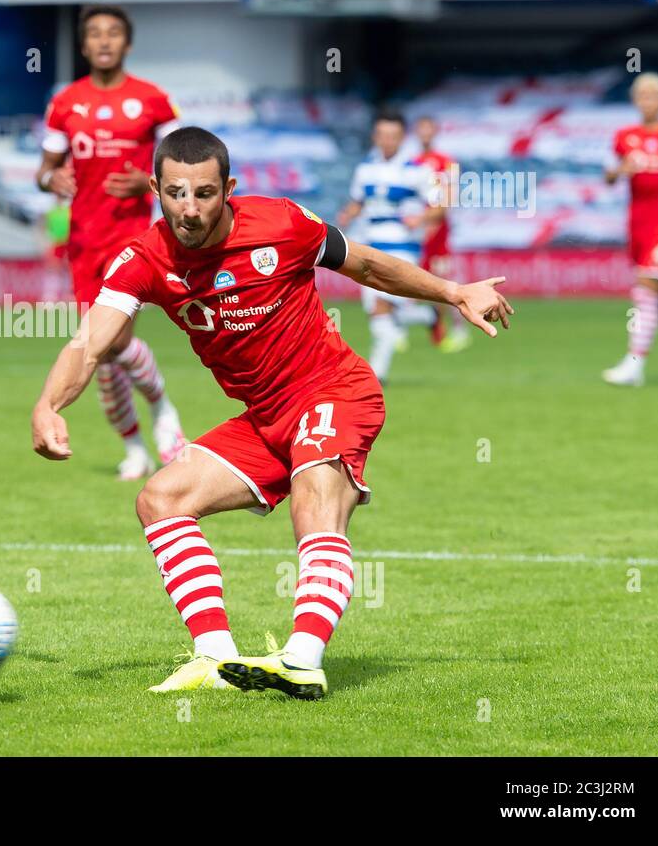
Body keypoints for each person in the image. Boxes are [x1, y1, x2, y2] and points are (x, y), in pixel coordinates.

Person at [30, 127, 512, 699]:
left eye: (204, 193)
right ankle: (215, 658)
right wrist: (49, 403)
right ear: (155, 188)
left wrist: (454, 292)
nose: (189, 208)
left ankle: (302, 660)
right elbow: (91, 342)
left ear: (228, 188)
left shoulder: (281, 224)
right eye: (176, 192)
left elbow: (365, 266)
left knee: (314, 498)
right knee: (160, 499)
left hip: (335, 389)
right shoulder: (143, 258)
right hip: (264, 416)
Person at [35, 4, 186, 480]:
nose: (104, 41)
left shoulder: (153, 100)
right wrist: (51, 180)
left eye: (113, 33)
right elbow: (44, 171)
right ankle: (136, 448)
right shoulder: (65, 103)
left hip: (134, 240)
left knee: (113, 341)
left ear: (127, 43)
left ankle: (163, 409)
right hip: (83, 242)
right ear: (83, 46)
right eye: (95, 34)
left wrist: (148, 182)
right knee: (100, 355)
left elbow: (185, 168)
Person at [337, 110, 439, 383]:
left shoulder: (418, 170)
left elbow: (440, 206)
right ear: (375, 136)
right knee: (378, 310)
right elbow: (357, 201)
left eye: (393, 136)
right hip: (370, 245)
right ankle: (422, 314)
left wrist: (421, 218)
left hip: (403, 246)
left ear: (403, 137)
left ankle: (376, 373)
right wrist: (348, 214)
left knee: (381, 304)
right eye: (382, 135)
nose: (387, 141)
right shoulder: (365, 169)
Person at [602, 72, 658, 387]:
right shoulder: (625, 136)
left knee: (645, 288)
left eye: (653, 96)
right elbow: (608, 177)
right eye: (642, 95)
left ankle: (634, 362)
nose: (647, 101)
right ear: (635, 100)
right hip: (637, 220)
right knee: (657, 291)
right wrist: (620, 170)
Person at [412, 115, 470, 352]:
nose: (425, 133)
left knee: (444, 281)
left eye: (429, 129)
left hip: (438, 230)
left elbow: (449, 196)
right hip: (416, 230)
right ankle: (424, 328)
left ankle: (455, 328)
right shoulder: (411, 162)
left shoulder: (447, 162)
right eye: (421, 129)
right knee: (415, 282)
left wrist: (432, 221)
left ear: (434, 131)